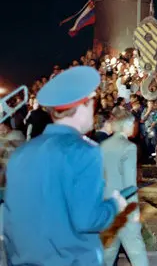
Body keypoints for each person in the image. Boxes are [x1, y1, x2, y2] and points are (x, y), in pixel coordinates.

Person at [3, 66, 128, 266]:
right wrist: (114, 205)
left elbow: (11, 221)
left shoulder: (21, 154)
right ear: (83, 105)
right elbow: (88, 219)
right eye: (92, 102)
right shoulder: (85, 152)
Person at [101, 107, 148, 266]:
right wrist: (134, 211)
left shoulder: (103, 146)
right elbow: (130, 184)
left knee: (107, 254)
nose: (134, 128)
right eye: (132, 124)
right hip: (123, 208)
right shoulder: (129, 147)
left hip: (106, 206)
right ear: (126, 126)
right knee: (137, 252)